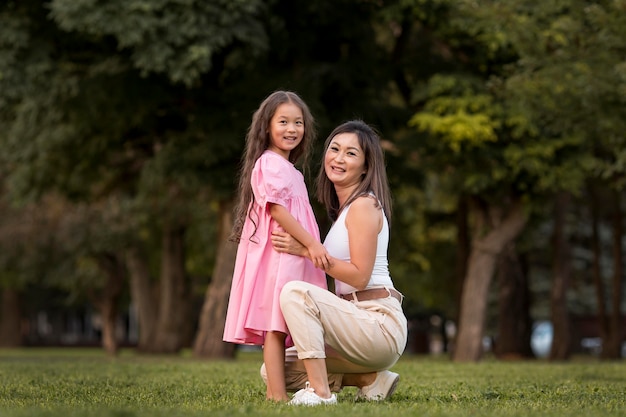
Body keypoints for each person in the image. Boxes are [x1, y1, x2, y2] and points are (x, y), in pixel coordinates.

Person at [263, 119, 408, 406]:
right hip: (351, 323)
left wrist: (306, 251)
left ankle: (320, 392)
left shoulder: (365, 205)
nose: (339, 158)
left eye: (351, 153)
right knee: (272, 371)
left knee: (295, 292)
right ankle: (370, 380)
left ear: (366, 166)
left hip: (378, 323)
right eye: (334, 149)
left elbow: (359, 278)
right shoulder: (343, 211)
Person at [223, 91, 330, 403]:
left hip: (292, 253)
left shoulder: (290, 169)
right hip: (282, 254)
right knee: (276, 324)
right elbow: (277, 211)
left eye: (298, 123)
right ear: (266, 126)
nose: (292, 129)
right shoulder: (269, 164)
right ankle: (277, 394)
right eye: (283, 121)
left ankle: (278, 391)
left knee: (283, 323)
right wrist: (311, 244)